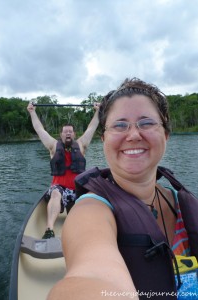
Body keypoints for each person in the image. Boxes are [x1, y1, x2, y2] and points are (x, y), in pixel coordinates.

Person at [47, 78, 198, 299]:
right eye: (119, 125)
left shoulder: (183, 203)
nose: (134, 134)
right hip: (61, 188)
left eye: (146, 123)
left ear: (165, 134)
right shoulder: (91, 211)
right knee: (55, 194)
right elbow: (90, 278)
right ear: (104, 138)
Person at [27, 102, 100, 239]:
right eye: (65, 131)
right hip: (60, 191)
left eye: (70, 131)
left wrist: (98, 111)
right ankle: (49, 229)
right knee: (55, 192)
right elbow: (39, 130)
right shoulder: (53, 146)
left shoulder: (82, 144)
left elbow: (92, 127)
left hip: (77, 190)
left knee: (92, 196)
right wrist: (32, 112)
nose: (68, 133)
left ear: (74, 134)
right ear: (61, 135)